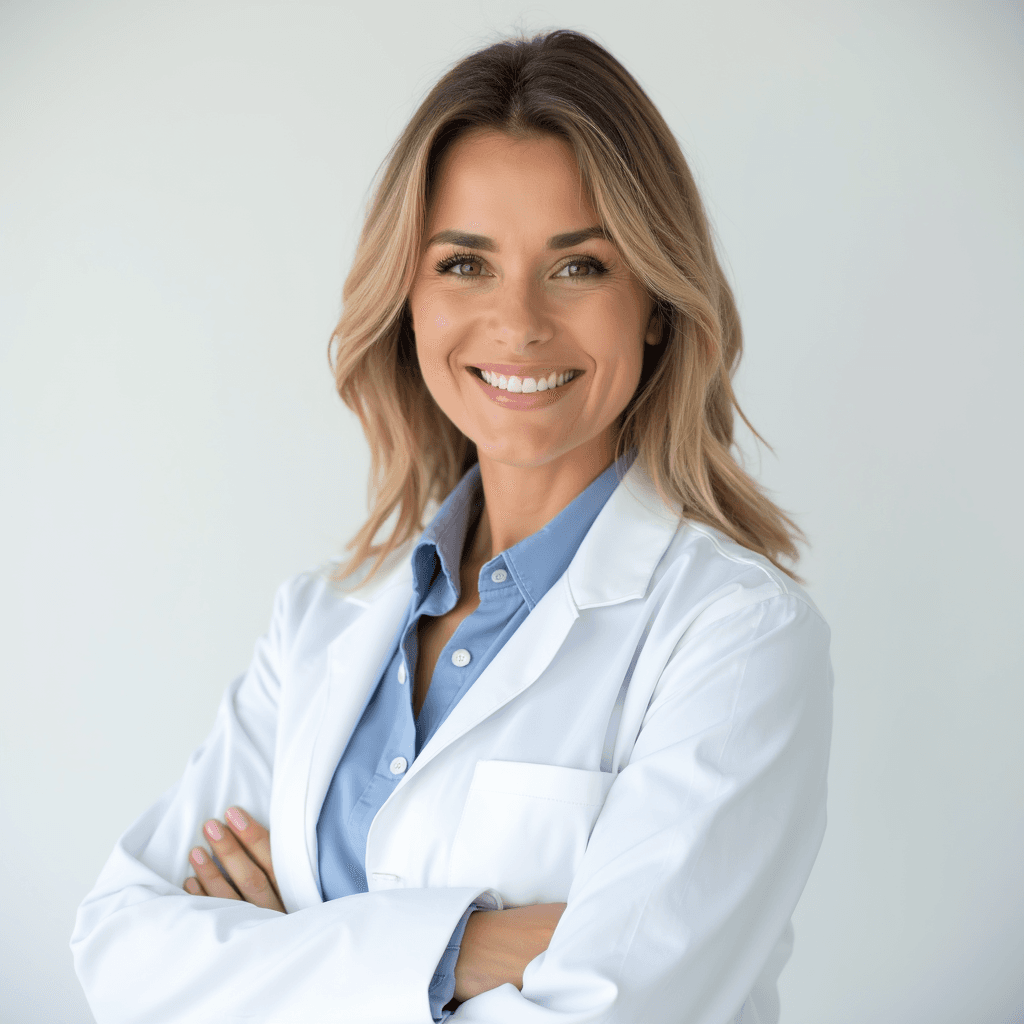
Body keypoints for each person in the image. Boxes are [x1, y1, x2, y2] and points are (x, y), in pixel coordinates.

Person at [72, 28, 832, 1024]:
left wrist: (280, 948)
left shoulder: (736, 639)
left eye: (579, 268)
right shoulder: (319, 624)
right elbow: (122, 952)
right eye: (465, 263)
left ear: (654, 301)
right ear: (409, 298)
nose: (517, 325)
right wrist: (457, 950)